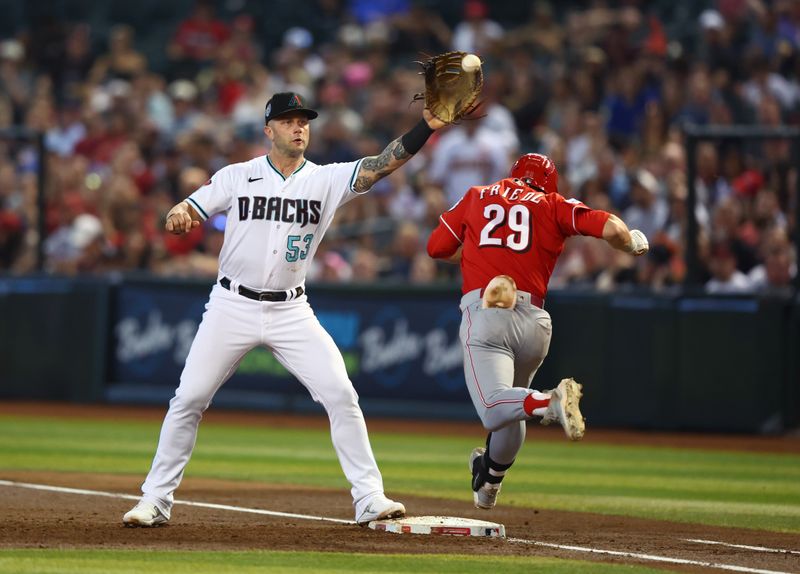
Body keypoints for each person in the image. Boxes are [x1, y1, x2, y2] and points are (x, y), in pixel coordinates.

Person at [123, 91, 445, 527]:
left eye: (304, 121)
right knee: (189, 398)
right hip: (231, 304)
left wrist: (424, 127)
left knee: (341, 394)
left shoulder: (326, 179)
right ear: (268, 129)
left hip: (291, 310)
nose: (299, 127)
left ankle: (369, 497)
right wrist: (179, 212)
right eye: (290, 120)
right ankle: (155, 500)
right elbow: (191, 207)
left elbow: (382, 163)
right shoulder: (238, 175)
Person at [426, 153, 649, 510]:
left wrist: (477, 253)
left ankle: (550, 401)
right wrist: (633, 243)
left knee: (492, 406)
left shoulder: (477, 194)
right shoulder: (551, 203)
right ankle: (489, 482)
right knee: (514, 404)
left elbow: (436, 247)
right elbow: (614, 230)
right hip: (534, 322)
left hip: (488, 312)